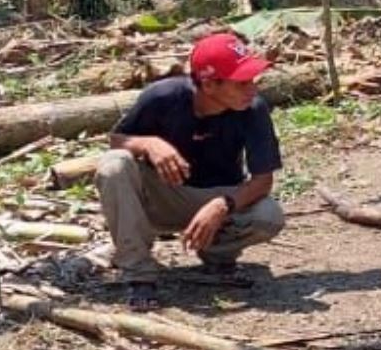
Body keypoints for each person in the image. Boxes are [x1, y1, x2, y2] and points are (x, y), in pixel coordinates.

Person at [97, 33, 287, 311]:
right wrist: (149, 143)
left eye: (252, 81)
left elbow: (262, 181)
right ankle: (139, 274)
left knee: (269, 216)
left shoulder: (253, 109)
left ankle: (216, 254)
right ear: (209, 84)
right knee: (114, 164)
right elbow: (117, 141)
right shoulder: (162, 97)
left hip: (215, 196)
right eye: (242, 83)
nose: (252, 89)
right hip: (160, 197)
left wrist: (222, 205)